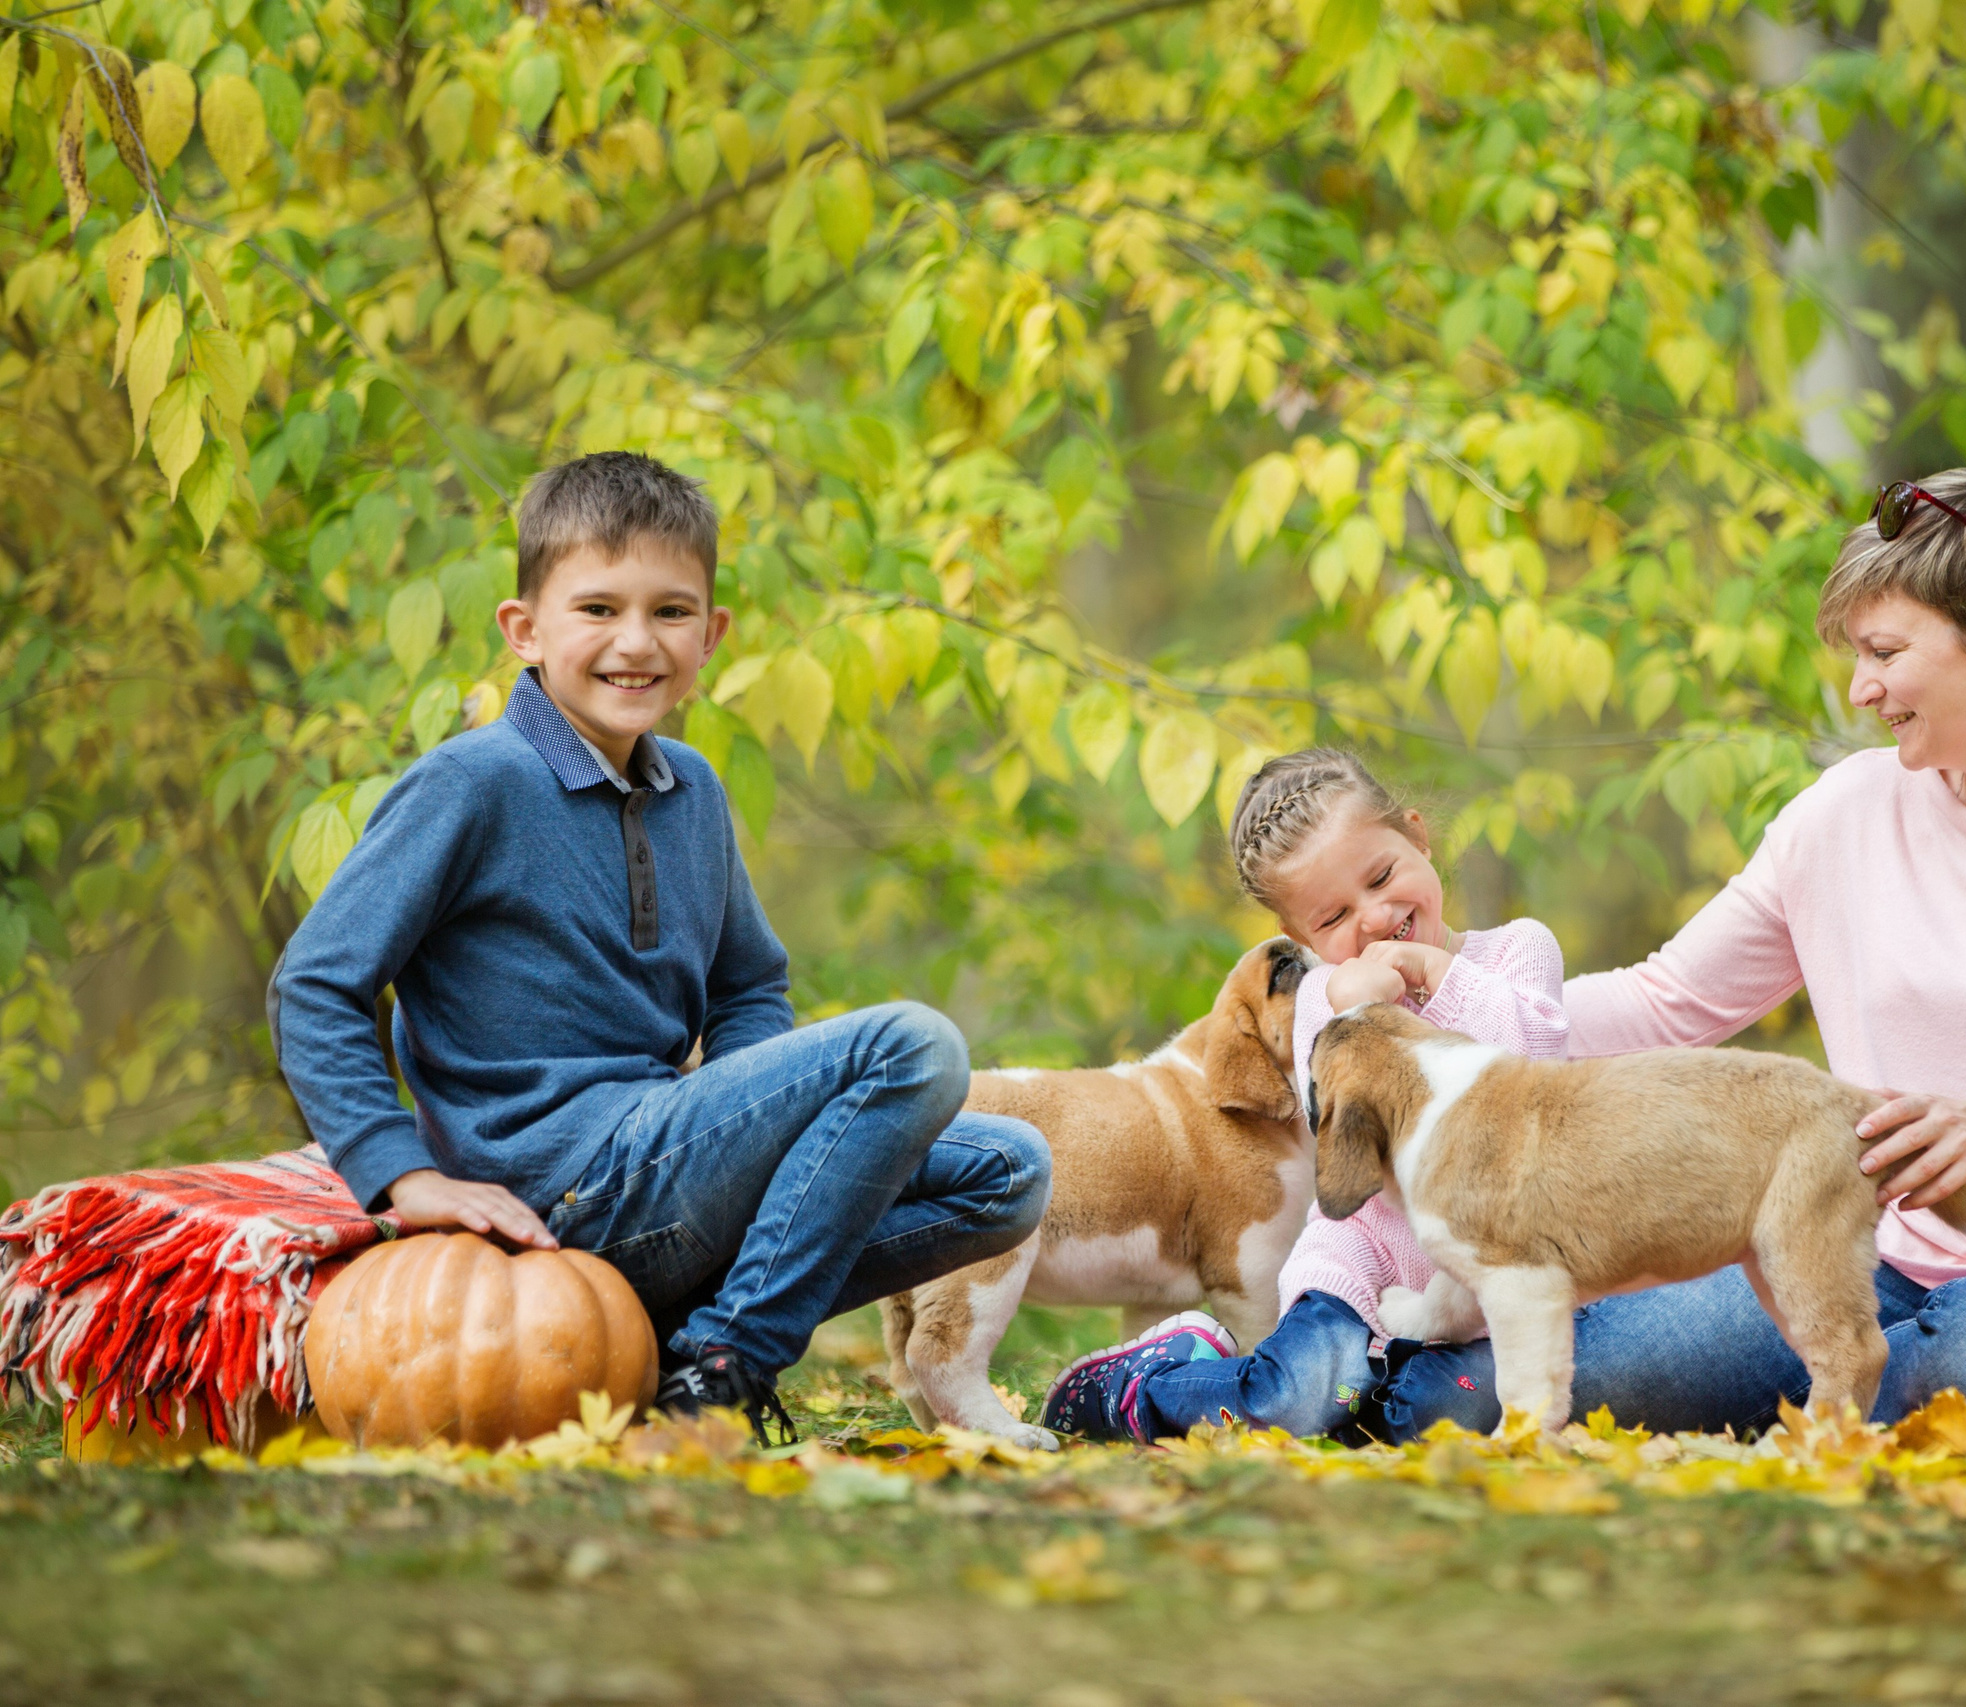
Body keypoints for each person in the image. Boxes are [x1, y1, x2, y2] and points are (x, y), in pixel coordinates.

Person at [269, 451, 1051, 1445]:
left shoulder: (694, 789)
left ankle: (684, 1337)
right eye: (597, 610)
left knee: (1010, 1168)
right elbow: (317, 984)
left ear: (712, 634)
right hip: (550, 1180)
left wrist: (767, 1139)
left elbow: (747, 987)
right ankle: (721, 1375)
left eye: (670, 613)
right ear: (525, 631)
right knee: (914, 1046)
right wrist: (402, 1175)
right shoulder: (474, 783)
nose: (635, 643)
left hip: (663, 1155)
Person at [1505, 465, 1966, 1432]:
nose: (1861, 689)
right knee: (1591, 1367)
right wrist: (1464, 990)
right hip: (1854, 1259)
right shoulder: (1847, 812)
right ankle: (1825, 1388)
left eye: (1885, 652)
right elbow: (1666, 1002)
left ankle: (1818, 1394)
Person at [1036, 749, 1571, 1443]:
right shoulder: (1325, 998)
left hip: (1487, 1283)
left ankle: (1377, 1396)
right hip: (1362, 1269)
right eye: (1334, 916)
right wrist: (1357, 1004)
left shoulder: (1517, 952)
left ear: (1418, 836)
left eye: (1382, 876)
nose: (1376, 920)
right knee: (1299, 1400)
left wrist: (1437, 975)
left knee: (1437, 1416)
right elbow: (1348, 1122)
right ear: (1299, 937)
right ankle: (1141, 1386)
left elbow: (1532, 1071)